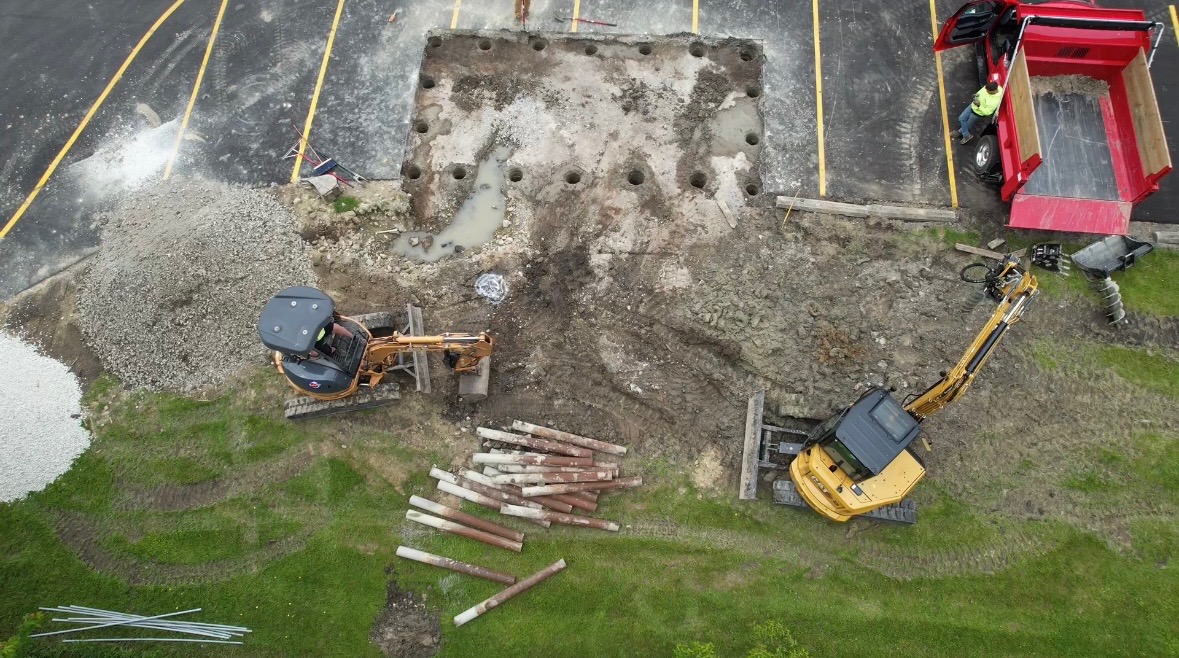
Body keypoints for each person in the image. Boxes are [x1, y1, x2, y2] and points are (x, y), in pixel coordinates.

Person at [952, 80, 1004, 145]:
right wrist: (976, 95)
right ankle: (965, 134)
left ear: (993, 91)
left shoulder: (995, 101)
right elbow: (982, 91)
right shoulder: (989, 87)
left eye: (988, 91)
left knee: (968, 124)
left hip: (978, 113)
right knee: (961, 118)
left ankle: (962, 133)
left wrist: (979, 105)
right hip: (973, 106)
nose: (986, 91)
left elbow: (987, 112)